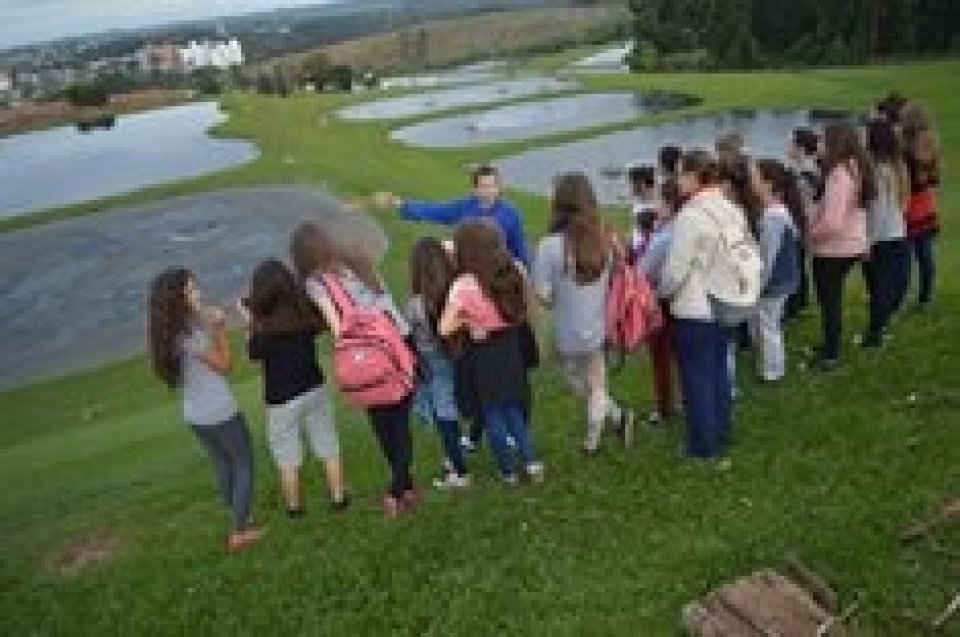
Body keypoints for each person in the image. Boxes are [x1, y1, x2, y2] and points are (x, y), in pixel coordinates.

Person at [291, 222, 418, 518]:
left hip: (368, 352)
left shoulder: (316, 282)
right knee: (399, 417)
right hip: (398, 340)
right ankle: (405, 486)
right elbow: (385, 299)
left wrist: (349, 351)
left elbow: (337, 326)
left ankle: (397, 489)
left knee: (382, 420)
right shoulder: (358, 261)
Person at [148, 268, 263, 551]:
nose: (198, 292)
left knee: (224, 465)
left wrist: (210, 315)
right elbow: (224, 365)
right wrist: (222, 331)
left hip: (196, 415)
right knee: (244, 463)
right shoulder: (191, 337)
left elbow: (202, 317)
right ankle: (238, 532)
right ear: (179, 297)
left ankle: (241, 516)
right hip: (219, 410)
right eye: (192, 289)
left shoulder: (169, 329)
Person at [533, 173, 635, 454]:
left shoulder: (549, 246)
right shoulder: (607, 239)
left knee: (581, 383)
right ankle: (615, 418)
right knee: (594, 383)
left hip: (567, 330)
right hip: (601, 325)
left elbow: (541, 293)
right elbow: (619, 276)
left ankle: (594, 440)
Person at [240, 259, 348, 518]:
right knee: (328, 444)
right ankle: (339, 498)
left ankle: (294, 508)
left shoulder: (263, 329)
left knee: (287, 455)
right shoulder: (304, 316)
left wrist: (251, 322)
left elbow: (253, 354)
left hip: (281, 400)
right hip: (315, 388)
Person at [439, 220, 543, 484]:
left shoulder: (464, 285)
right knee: (513, 409)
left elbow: (444, 327)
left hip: (483, 354)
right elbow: (528, 308)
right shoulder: (514, 271)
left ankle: (508, 471)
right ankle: (532, 462)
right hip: (510, 348)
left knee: (493, 413)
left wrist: (469, 321)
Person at [660, 150, 745, 459]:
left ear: (696, 178)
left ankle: (702, 445)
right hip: (724, 303)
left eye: (682, 174)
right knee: (718, 369)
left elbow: (675, 270)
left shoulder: (690, 217)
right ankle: (721, 430)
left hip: (695, 307)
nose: (678, 180)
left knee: (695, 378)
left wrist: (662, 292)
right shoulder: (734, 211)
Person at [807, 122, 875, 370]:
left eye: (823, 140)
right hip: (850, 244)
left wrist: (810, 234)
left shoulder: (839, 175)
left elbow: (832, 223)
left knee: (830, 301)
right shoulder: (854, 168)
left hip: (834, 248)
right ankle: (829, 343)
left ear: (834, 143)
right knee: (831, 300)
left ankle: (830, 353)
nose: (819, 145)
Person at [405, 238, 471, 489]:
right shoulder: (456, 292)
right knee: (454, 407)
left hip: (433, 363)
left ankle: (459, 472)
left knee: (445, 415)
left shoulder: (415, 305)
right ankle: (460, 450)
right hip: (459, 357)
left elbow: (408, 337)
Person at [385, 164, 530, 267]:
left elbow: (519, 250)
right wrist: (400, 203)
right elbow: (435, 211)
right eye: (483, 186)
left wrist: (524, 277)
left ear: (499, 187)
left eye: (492, 185)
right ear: (474, 189)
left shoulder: (511, 214)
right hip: (467, 274)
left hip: (497, 276)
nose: (489, 190)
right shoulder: (464, 206)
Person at [749, 160, 802, 382]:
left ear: (768, 184)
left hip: (774, 281)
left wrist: (759, 285)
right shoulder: (778, 212)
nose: (752, 182)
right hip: (783, 278)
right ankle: (768, 363)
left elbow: (767, 257)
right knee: (768, 323)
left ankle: (773, 371)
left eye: (755, 177)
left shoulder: (773, 217)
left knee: (768, 326)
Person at [861, 119, 910, 346]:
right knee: (885, 287)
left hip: (881, 237)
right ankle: (879, 327)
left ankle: (874, 334)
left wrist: (868, 242)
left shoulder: (876, 172)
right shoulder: (897, 167)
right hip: (896, 234)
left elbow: (877, 212)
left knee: (880, 288)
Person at [639, 178, 683, 426]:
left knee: (661, 357)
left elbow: (644, 271)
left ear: (669, 205)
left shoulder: (663, 237)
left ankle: (665, 406)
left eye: (658, 201)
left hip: (661, 300)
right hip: (680, 299)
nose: (654, 206)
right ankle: (679, 399)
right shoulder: (679, 227)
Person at [901, 105, 940, 309]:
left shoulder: (906, 149)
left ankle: (902, 295)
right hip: (926, 205)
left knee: (906, 258)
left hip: (909, 207)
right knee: (926, 256)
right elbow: (934, 181)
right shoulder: (930, 145)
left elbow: (905, 182)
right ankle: (926, 296)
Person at [784, 128, 822, 320]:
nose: (787, 146)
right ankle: (801, 301)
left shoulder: (805, 172)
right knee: (798, 263)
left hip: (801, 224)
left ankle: (795, 305)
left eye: (790, 143)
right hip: (803, 223)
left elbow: (801, 201)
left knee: (795, 263)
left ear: (800, 148)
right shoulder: (803, 168)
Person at [627, 165, 659, 259]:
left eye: (632, 183)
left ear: (641, 184)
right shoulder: (637, 203)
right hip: (638, 250)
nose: (631, 188)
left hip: (646, 253)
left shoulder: (655, 205)